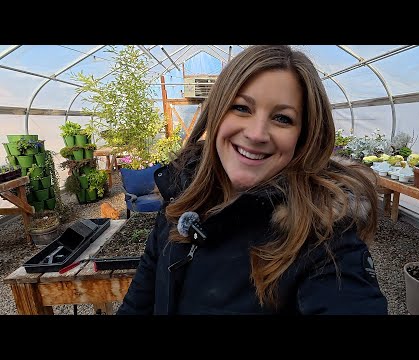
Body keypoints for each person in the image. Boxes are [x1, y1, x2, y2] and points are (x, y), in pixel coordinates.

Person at [116, 45, 388, 315]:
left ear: (303, 136)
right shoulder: (182, 195)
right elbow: (139, 300)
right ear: (217, 114)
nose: (257, 134)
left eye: (282, 118)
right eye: (242, 108)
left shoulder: (323, 234)